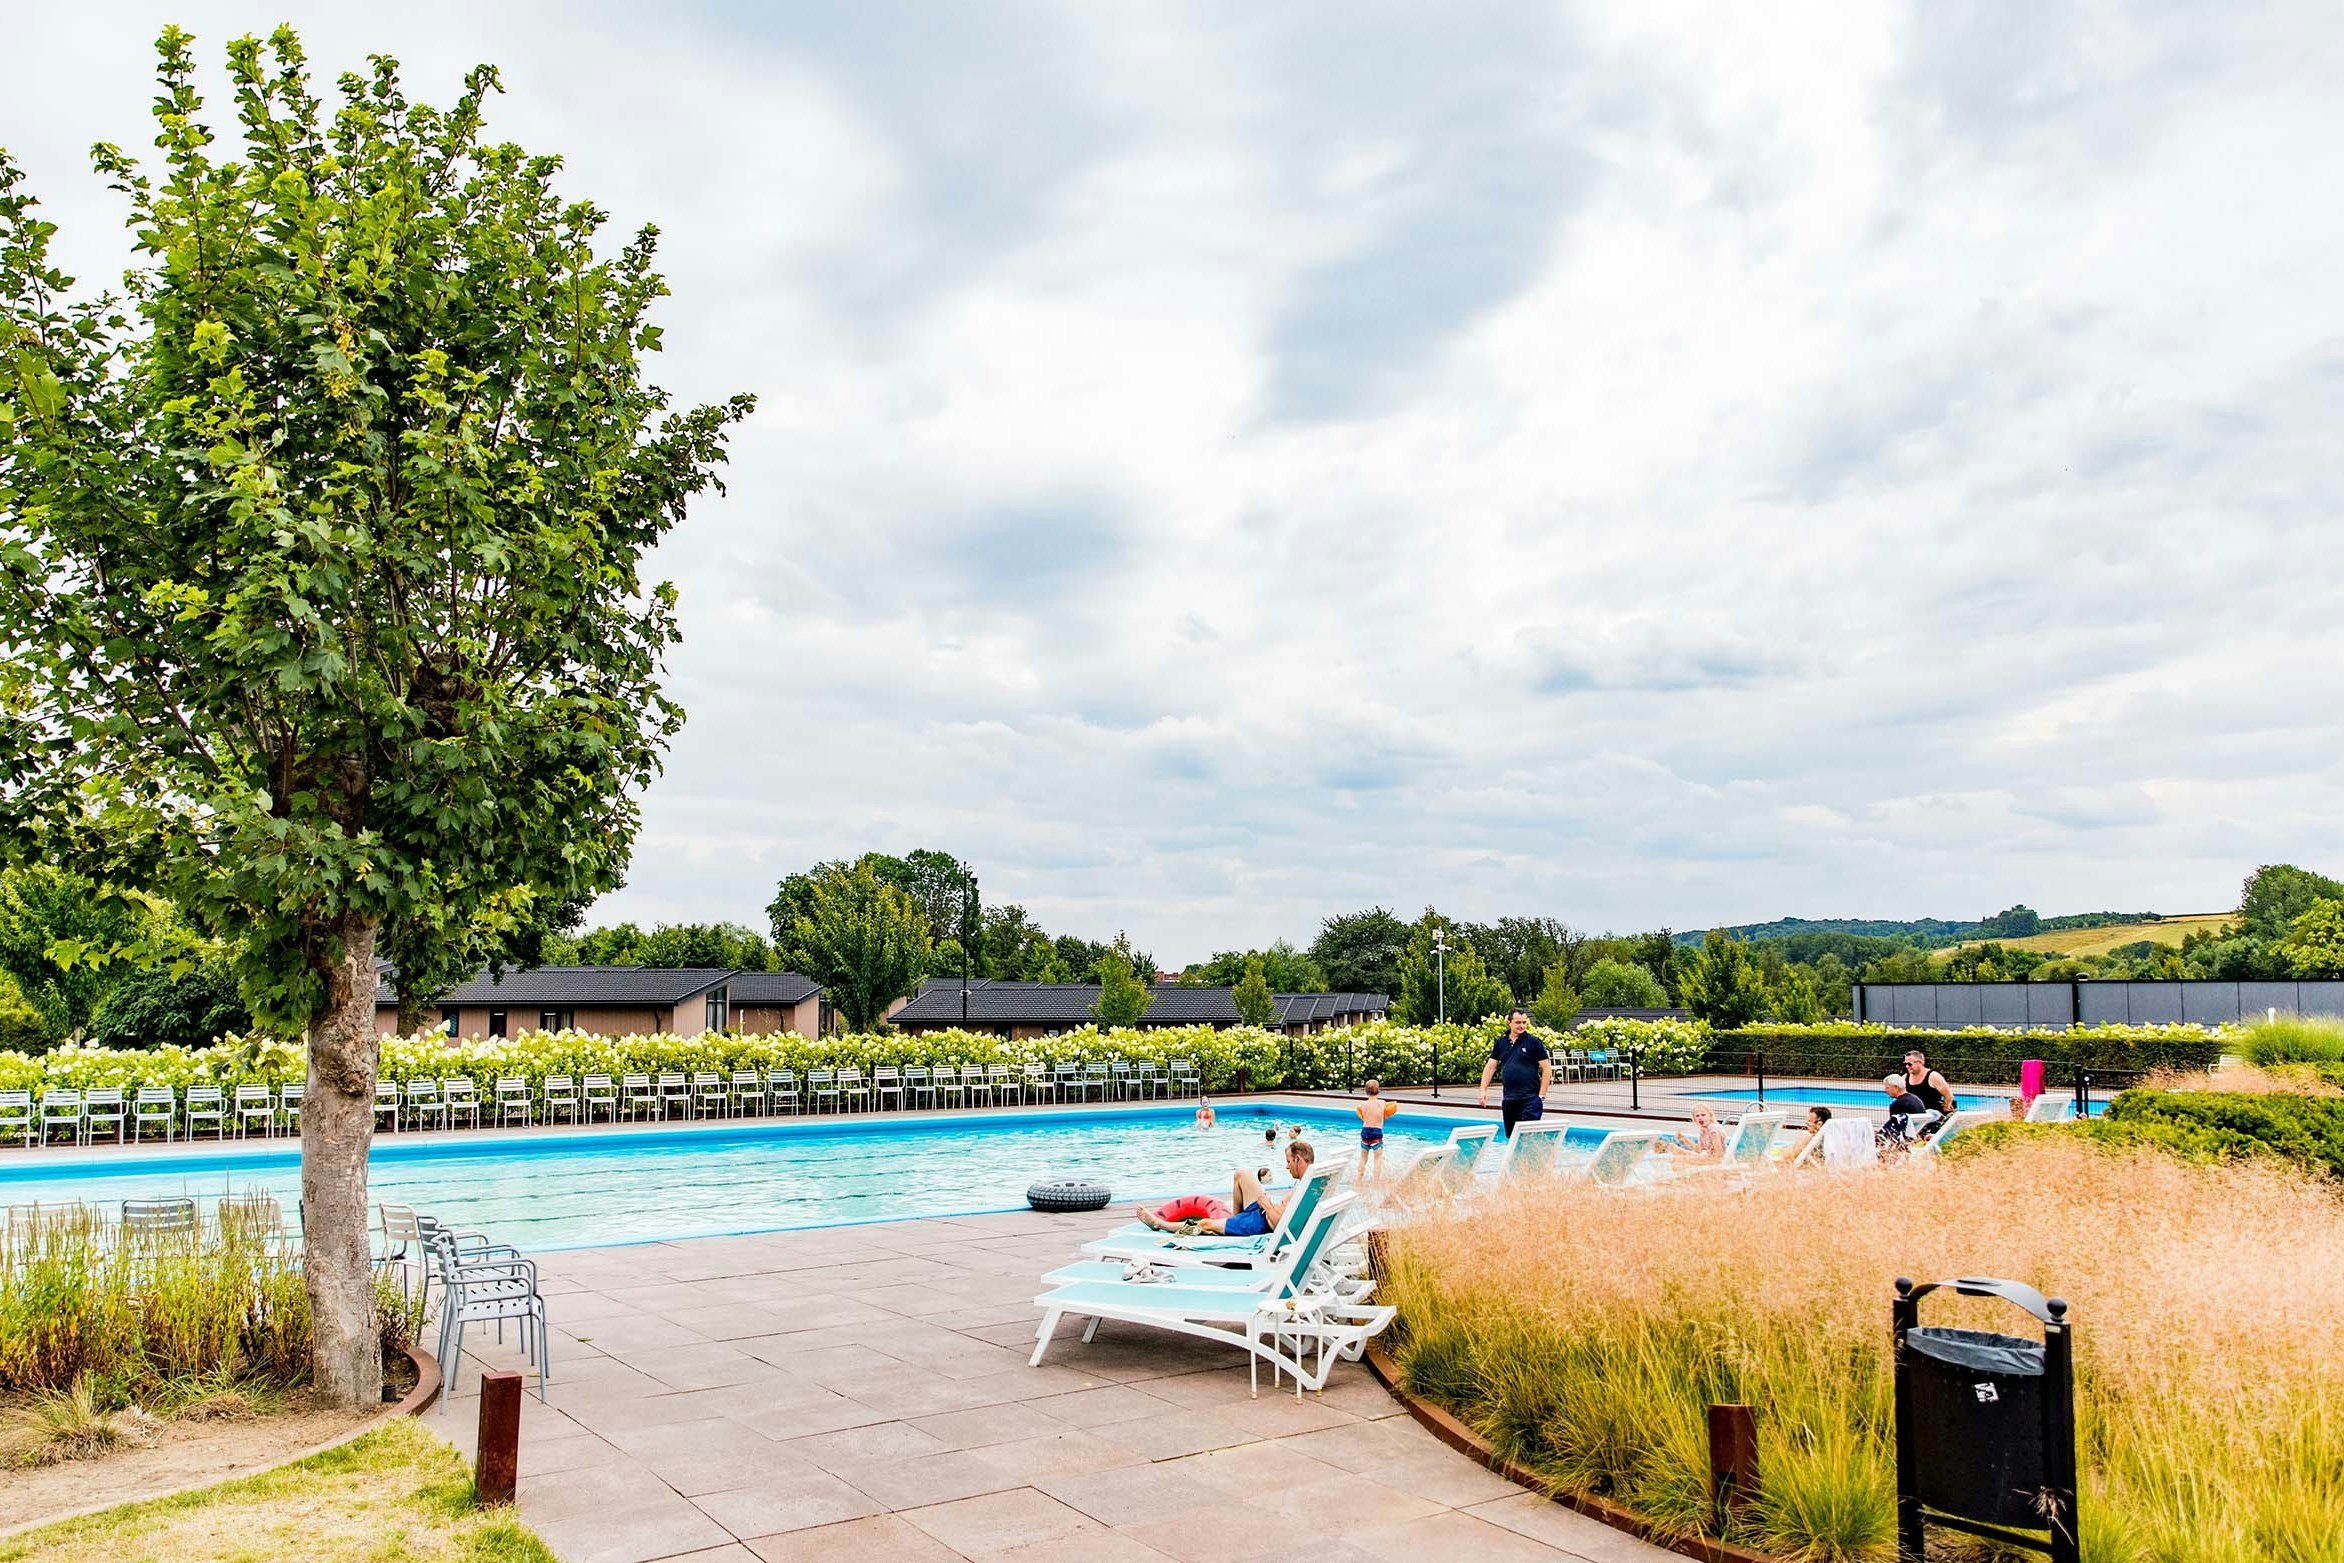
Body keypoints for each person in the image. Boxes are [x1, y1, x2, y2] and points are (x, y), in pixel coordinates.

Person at [1133, 1139, 1316, 1236]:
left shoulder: (1305, 1187)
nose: (1286, 1166)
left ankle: (1161, 1224)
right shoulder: (1314, 1182)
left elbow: (1281, 1226)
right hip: (1262, 1213)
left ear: (1298, 1159)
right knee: (1242, 1174)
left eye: (1288, 1162)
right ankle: (1232, 1221)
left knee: (1206, 1224)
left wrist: (1267, 1206)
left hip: (1260, 1223)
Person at [1477, 1008, 1552, 1137]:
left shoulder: (1534, 1042)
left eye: (1524, 1022)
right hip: (1509, 1100)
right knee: (1511, 1138)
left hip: (1530, 1100)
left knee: (1527, 1138)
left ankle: (1528, 1158)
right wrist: (1483, 1091)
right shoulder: (1500, 1043)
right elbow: (1490, 1067)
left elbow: (1546, 1069)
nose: (1521, 1026)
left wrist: (1541, 1096)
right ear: (1509, 1023)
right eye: (1518, 1022)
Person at [1354, 1079, 1400, 1179]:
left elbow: (1362, 1116)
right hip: (1376, 1132)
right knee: (1378, 1158)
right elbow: (1387, 1111)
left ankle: (1359, 1179)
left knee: (1363, 1158)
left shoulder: (1362, 1105)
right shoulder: (1382, 1103)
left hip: (1365, 1132)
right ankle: (1376, 1180)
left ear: (1365, 1092)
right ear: (1378, 1091)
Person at [1655, 1104, 1727, 1163]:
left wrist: (1700, 1160)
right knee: (1673, 1148)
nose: (1700, 1118)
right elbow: (1698, 1150)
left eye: (1703, 1115)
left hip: (1713, 1161)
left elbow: (1719, 1154)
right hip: (1706, 1157)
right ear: (1694, 1119)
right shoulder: (1703, 1130)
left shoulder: (1713, 1130)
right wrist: (1683, 1138)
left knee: (1676, 1160)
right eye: (1697, 1116)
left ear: (1710, 1116)